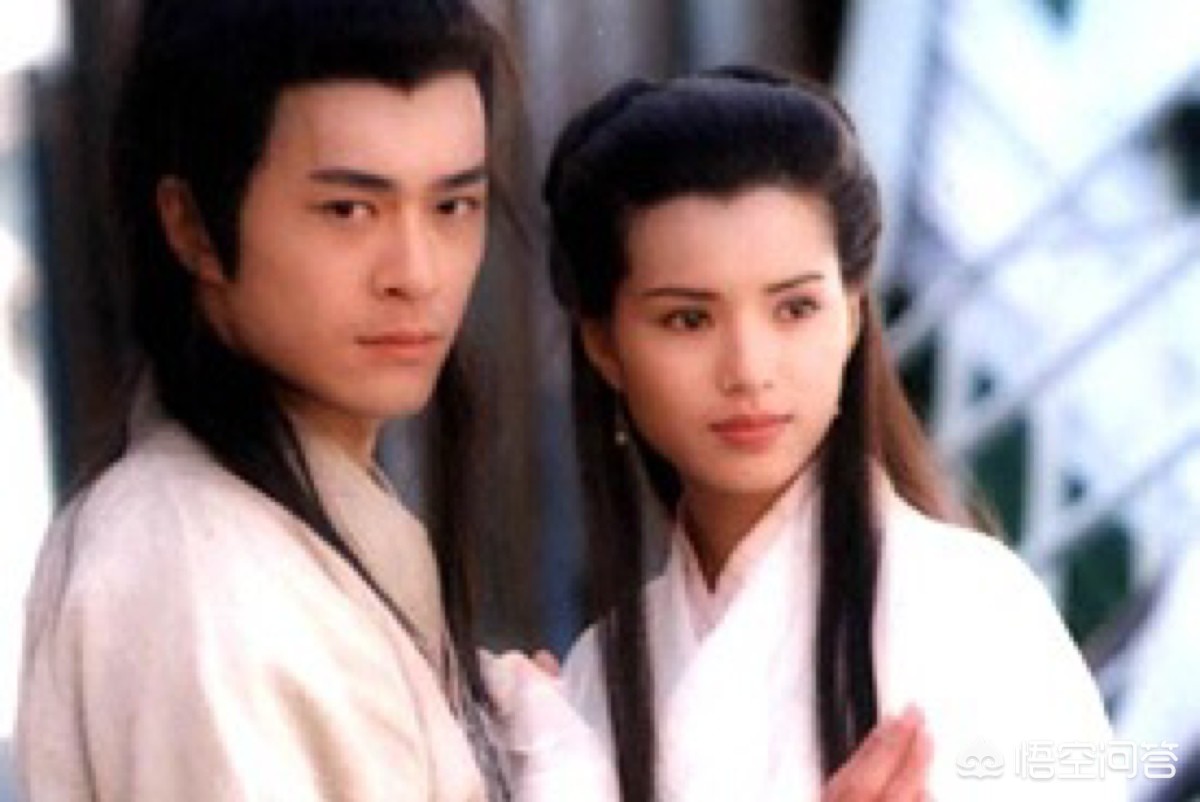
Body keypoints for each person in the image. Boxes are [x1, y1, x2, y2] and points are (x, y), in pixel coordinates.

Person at [15, 0, 553, 799]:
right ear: (193, 226)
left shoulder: (279, 531)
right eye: (349, 210)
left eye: (452, 207)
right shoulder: (202, 580)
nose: (417, 273)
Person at [543, 66, 1123, 800]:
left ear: (851, 314)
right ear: (604, 344)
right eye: (688, 319)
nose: (749, 370)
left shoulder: (977, 611)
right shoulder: (596, 678)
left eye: (794, 309)